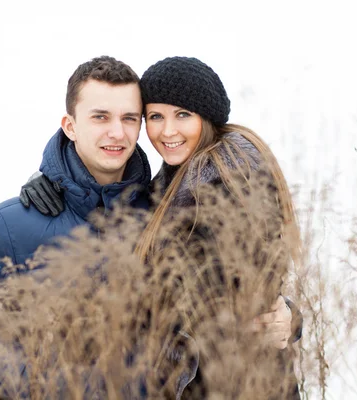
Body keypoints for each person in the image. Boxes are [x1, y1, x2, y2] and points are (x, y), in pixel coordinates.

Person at [20, 57, 303, 398]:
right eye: (155, 117)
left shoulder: (228, 183)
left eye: (183, 114)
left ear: (207, 117)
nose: (168, 131)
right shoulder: (176, 183)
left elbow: (218, 305)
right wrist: (56, 181)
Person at [0, 55, 152, 397]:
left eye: (129, 118)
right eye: (100, 117)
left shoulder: (164, 216)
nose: (117, 132)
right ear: (70, 125)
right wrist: (43, 378)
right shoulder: (10, 224)